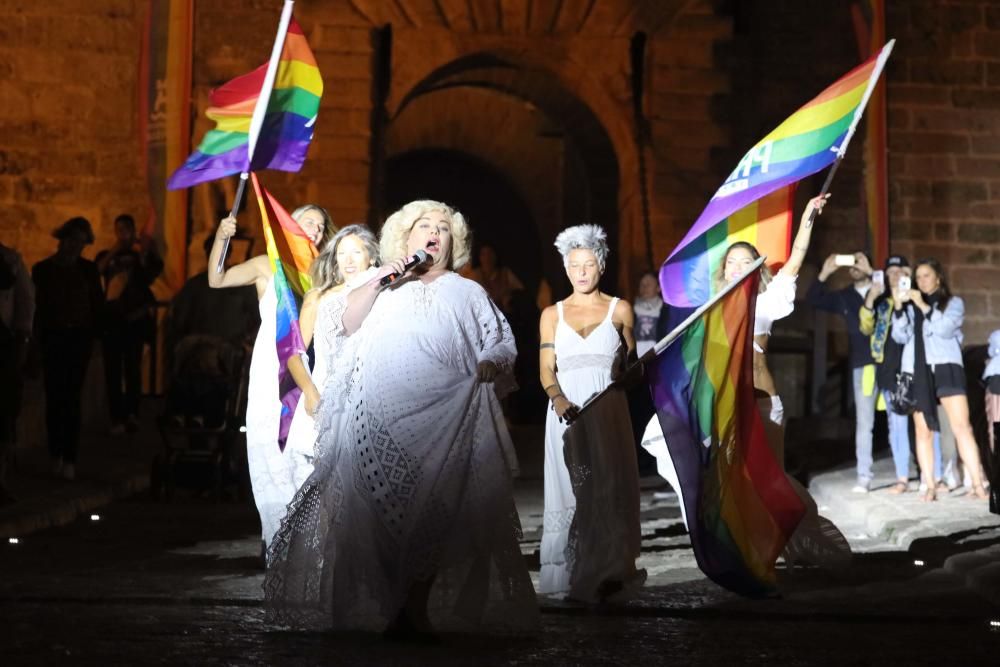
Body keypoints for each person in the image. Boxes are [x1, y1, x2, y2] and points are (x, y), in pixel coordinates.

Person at [265, 200, 537, 636]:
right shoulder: (385, 282)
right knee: (380, 513)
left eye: (443, 228)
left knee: (434, 514)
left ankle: (414, 607)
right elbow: (350, 322)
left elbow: (500, 340)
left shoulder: (467, 291)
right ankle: (394, 599)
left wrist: (490, 360)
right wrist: (385, 277)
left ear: (455, 242)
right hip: (382, 415)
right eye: (423, 226)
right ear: (405, 238)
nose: (434, 233)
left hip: (446, 420)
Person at [208, 204, 335, 549]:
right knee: (273, 448)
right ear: (289, 224)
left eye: (321, 227)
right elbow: (216, 279)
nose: (314, 230)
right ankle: (278, 534)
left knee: (309, 449)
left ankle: (310, 537)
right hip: (271, 369)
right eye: (307, 221)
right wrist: (222, 239)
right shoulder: (268, 264)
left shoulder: (327, 274)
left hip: (314, 369)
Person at [537, 224, 643, 602]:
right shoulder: (552, 313)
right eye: (573, 265)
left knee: (608, 486)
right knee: (572, 487)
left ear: (601, 266)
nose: (581, 272)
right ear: (566, 269)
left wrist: (629, 367)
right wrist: (558, 398)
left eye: (588, 264)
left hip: (608, 411)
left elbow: (634, 368)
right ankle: (569, 569)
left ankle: (609, 569)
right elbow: (546, 368)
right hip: (567, 413)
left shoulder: (621, 310)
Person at [283, 224, 379, 478]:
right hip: (325, 397)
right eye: (341, 252)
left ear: (371, 256)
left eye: (356, 252)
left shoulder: (384, 293)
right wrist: (310, 392)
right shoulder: (318, 297)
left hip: (369, 394)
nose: (348, 260)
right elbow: (294, 355)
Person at [891, 257, 989, 501]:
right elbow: (899, 336)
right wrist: (900, 308)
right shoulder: (912, 306)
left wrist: (923, 307)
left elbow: (945, 329)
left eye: (926, 275)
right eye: (918, 277)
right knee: (923, 431)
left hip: (946, 368)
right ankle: (930, 486)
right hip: (918, 371)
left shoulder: (952, 303)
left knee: (961, 427)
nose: (921, 281)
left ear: (938, 278)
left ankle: (977, 485)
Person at [32, 218, 104, 481]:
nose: (75, 246)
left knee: (72, 397)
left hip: (78, 339)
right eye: (72, 239)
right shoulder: (42, 271)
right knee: (54, 397)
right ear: (62, 239)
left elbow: (97, 305)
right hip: (53, 337)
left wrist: (96, 337)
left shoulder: (88, 271)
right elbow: (36, 308)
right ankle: (56, 455)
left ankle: (69, 457)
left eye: (81, 242)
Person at [808, 250, 877, 493]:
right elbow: (814, 299)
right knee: (864, 421)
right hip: (862, 365)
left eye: (860, 261)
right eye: (852, 263)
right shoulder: (845, 297)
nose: (855, 266)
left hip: (891, 363)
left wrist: (871, 272)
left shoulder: (880, 289)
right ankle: (864, 476)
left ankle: (916, 472)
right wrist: (825, 273)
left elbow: (893, 289)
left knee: (899, 418)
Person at [96, 214, 163, 434]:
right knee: (113, 372)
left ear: (134, 230)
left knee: (132, 369)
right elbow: (98, 270)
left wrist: (143, 251)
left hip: (133, 321)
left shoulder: (142, 256)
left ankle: (133, 414)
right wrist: (116, 249)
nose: (123, 233)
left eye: (126, 229)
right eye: (119, 229)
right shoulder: (107, 255)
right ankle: (117, 417)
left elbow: (151, 275)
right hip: (112, 322)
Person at [859, 255, 912, 493]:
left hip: (910, 369)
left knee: (918, 424)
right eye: (890, 272)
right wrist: (871, 296)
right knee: (895, 424)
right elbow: (865, 327)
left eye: (899, 272)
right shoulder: (881, 302)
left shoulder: (912, 299)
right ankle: (902, 475)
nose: (894, 276)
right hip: (886, 371)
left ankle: (933, 474)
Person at [0, 241, 35, 503]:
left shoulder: (10, 260)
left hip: (3, 345)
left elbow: (25, 303)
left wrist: (22, 340)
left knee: (3, 416)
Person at [633, 269, 667, 358]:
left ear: (658, 288)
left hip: (659, 360)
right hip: (636, 363)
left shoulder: (666, 311)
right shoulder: (630, 311)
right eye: (642, 284)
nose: (645, 287)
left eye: (649, 284)